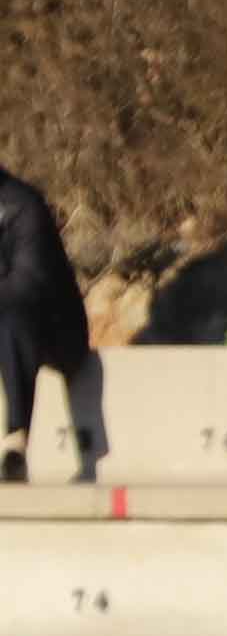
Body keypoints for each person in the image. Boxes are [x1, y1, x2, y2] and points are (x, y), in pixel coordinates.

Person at [0, 160, 102, 484]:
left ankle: (15, 442)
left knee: (11, 318)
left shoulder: (23, 207)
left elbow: (27, 287)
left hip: (55, 329)